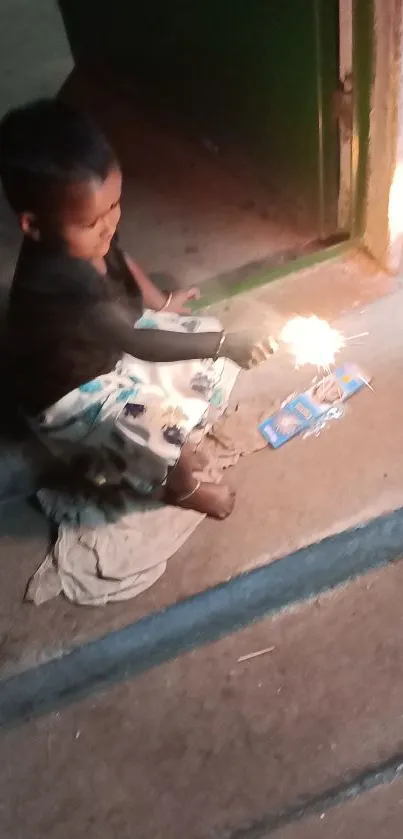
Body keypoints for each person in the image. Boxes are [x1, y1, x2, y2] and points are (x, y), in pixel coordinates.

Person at [0, 99, 274, 519]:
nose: (110, 223)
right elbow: (138, 341)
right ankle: (180, 488)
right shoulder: (58, 285)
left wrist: (163, 302)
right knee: (158, 423)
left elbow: (120, 258)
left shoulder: (94, 229)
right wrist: (224, 343)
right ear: (34, 226)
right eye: (95, 221)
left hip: (108, 346)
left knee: (196, 334)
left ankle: (173, 448)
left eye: (115, 206)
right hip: (71, 394)